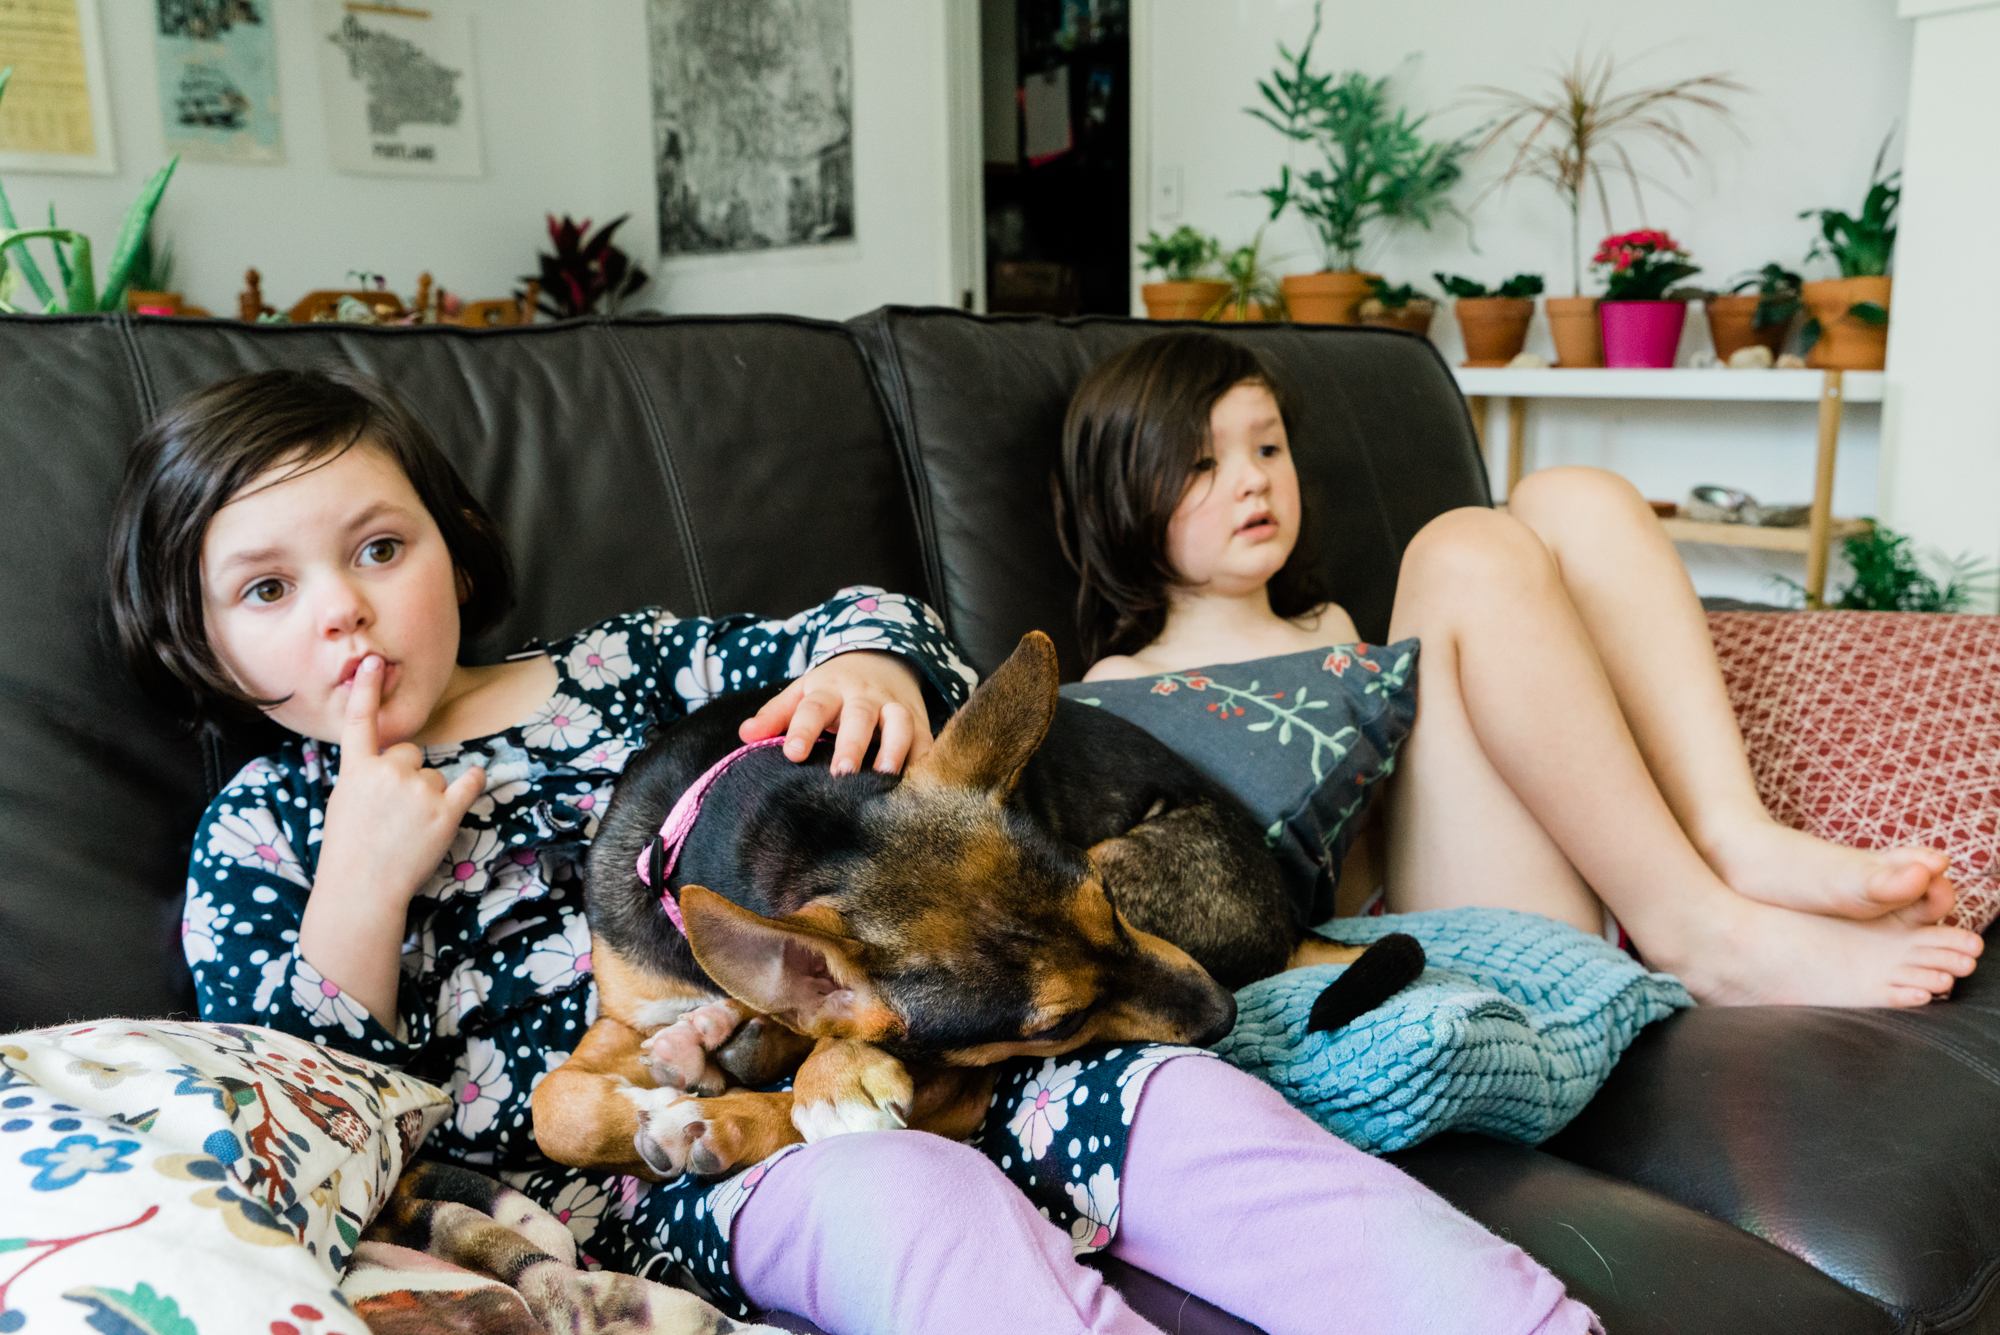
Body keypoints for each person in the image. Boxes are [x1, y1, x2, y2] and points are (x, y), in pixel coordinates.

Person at [109, 366, 1600, 1335]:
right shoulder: (271, 830)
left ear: (452, 539)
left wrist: (875, 669)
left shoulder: (629, 667)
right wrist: (363, 888)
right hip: (697, 1162)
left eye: (380, 547)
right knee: (910, 1210)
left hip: (948, 1026)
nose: (344, 612)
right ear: (200, 640)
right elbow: (294, 1099)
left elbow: (855, 617)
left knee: (1184, 1106)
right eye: (266, 587)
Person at [1055, 330, 1983, 1010]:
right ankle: (1705, 934)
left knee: (1570, 495)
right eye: (1203, 463)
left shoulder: (1330, 625)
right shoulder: (1123, 688)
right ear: (1121, 499)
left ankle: (1732, 837)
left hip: (1547, 866)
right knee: (1465, 546)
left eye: (1266, 447)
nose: (1253, 479)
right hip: (1413, 938)